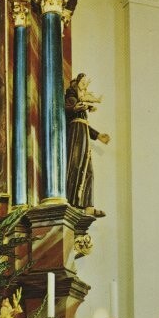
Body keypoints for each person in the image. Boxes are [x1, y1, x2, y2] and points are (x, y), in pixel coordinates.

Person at [65, 73, 110, 217]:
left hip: (83, 133)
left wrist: (98, 135)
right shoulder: (72, 98)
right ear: (76, 83)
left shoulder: (82, 105)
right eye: (82, 82)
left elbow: (85, 124)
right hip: (76, 135)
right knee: (76, 166)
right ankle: (71, 202)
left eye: (86, 83)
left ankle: (88, 205)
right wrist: (75, 108)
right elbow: (66, 110)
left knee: (88, 169)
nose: (85, 85)